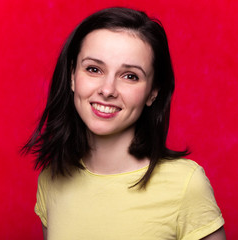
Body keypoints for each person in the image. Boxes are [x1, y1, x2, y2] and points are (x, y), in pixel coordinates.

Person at [23, 7, 225, 240]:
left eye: (130, 76)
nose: (107, 90)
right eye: (93, 69)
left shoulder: (186, 185)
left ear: (152, 92)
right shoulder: (52, 179)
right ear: (72, 77)